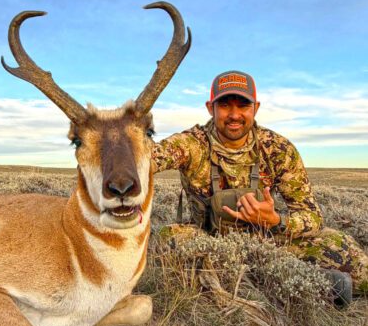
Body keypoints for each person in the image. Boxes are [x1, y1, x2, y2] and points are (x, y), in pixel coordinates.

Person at [152, 70, 368, 301]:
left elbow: (312, 216)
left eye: (243, 106)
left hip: (269, 241)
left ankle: (246, 278)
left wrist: (276, 221)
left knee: (351, 258)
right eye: (225, 105)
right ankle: (299, 280)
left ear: (255, 108)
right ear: (210, 108)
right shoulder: (190, 144)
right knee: (168, 238)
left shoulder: (278, 149)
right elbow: (143, 160)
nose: (234, 115)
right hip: (207, 240)